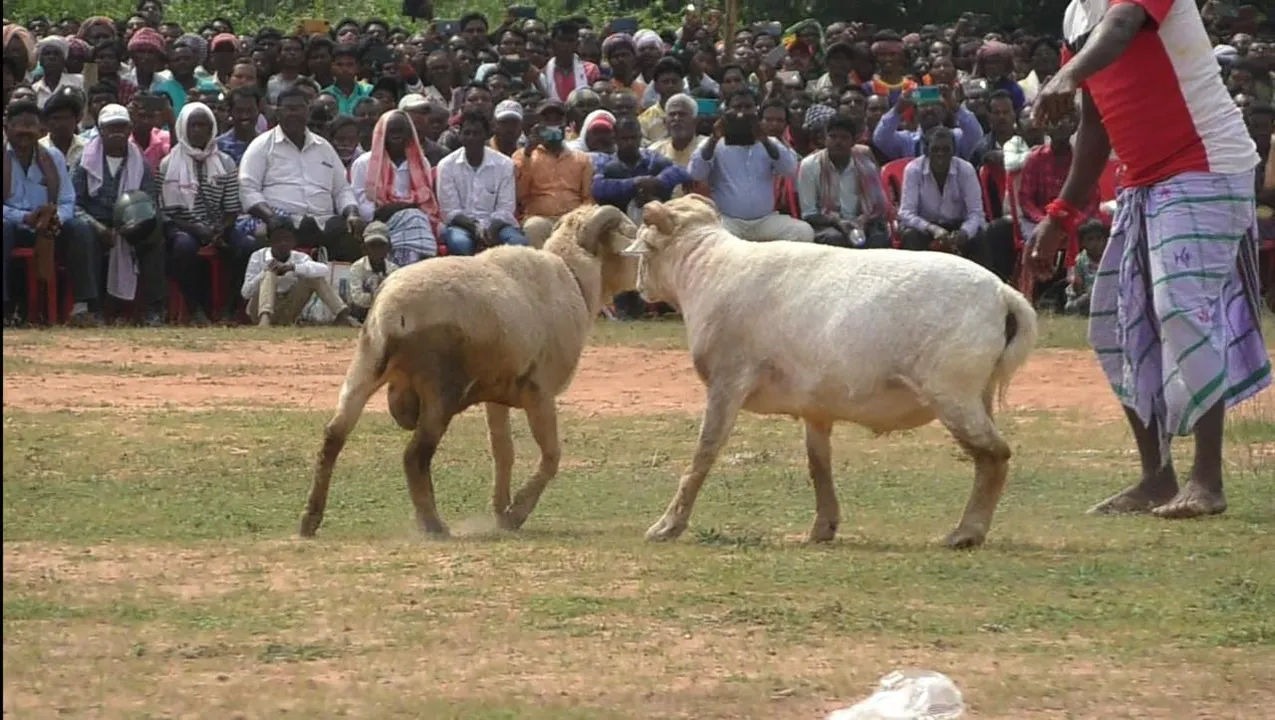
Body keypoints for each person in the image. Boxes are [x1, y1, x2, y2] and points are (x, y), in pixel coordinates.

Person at [1031, 0, 1269, 519]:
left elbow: (1120, 28)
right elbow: (1095, 123)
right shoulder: (1076, 16)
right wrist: (1061, 214)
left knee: (1181, 306)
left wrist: (1066, 73)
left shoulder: (1115, 15)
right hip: (1144, 181)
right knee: (1113, 323)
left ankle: (1207, 482)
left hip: (1206, 165)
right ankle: (1156, 479)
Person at [238, 87, 364, 261]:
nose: (294, 114)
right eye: (288, 109)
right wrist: (271, 217)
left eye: (299, 108)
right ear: (277, 112)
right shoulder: (261, 146)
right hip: (279, 221)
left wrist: (352, 213)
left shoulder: (324, 147)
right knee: (281, 233)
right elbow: (248, 189)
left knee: (353, 234)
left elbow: (342, 190)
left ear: (308, 111)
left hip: (324, 221)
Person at [71, 103, 166, 325]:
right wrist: (99, 228)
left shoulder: (139, 161)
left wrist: (134, 226)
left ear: (129, 129)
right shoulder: (83, 161)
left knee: (155, 241)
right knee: (83, 236)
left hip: (131, 222)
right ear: (100, 130)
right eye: (110, 128)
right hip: (96, 223)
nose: (116, 133)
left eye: (121, 127)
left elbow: (150, 200)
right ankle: (91, 307)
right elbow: (73, 204)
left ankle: (154, 310)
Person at [3, 99, 96, 326]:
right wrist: (23, 217)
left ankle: (83, 307)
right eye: (19, 125)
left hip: (47, 226)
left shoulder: (52, 157)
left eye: (31, 126)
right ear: (7, 128)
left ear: (41, 129)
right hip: (13, 224)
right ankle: (5, 308)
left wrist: (53, 218)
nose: (25, 132)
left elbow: (67, 200)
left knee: (79, 228)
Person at [158, 102, 250, 324]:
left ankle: (228, 309)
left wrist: (220, 231)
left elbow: (231, 209)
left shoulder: (225, 163)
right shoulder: (168, 164)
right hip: (183, 226)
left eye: (204, 126)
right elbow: (167, 212)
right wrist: (197, 229)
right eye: (194, 125)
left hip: (218, 226)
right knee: (183, 247)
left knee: (246, 246)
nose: (198, 131)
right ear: (183, 128)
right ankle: (195, 309)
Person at [689, 88, 813, 243]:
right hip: (729, 222)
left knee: (803, 232)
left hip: (764, 221)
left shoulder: (769, 142)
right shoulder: (714, 142)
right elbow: (696, 173)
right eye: (737, 108)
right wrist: (714, 138)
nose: (742, 113)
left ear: (756, 111)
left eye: (748, 107)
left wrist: (764, 140)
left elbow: (789, 169)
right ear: (726, 111)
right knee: (710, 239)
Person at [898, 126, 1013, 277]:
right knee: (910, 236)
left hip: (958, 225)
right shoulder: (913, 170)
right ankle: (913, 283)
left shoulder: (965, 170)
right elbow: (905, 213)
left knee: (979, 236)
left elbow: (976, 213)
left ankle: (984, 283)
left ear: (953, 151)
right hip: (926, 227)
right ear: (926, 151)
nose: (941, 154)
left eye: (946, 150)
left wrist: (965, 233)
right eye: (935, 149)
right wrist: (932, 229)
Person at [348, 109, 442, 265]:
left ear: (409, 134)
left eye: (401, 131)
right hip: (380, 220)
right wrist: (393, 210)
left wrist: (404, 208)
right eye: (392, 131)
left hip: (417, 218)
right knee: (413, 217)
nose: (397, 135)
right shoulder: (364, 163)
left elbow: (426, 201)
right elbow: (361, 202)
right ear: (383, 133)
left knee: (416, 218)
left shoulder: (421, 162)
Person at [436, 110, 527, 255]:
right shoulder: (446, 166)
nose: (471, 138)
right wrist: (476, 229)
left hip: (498, 225)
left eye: (477, 133)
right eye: (467, 133)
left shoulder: (504, 164)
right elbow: (450, 212)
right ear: (460, 135)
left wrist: (490, 229)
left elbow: (506, 208)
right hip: (461, 226)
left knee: (519, 244)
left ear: (486, 135)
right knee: (460, 244)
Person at [241, 217, 358, 327]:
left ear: (294, 241)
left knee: (313, 277)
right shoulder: (258, 256)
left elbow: (324, 270)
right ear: (269, 241)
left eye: (287, 239)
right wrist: (266, 272)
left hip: (288, 310)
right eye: (278, 239)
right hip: (258, 311)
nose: (283, 243)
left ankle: (343, 314)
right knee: (269, 273)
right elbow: (245, 293)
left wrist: (292, 267)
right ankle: (265, 318)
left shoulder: (300, 258)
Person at [798, 114, 892, 248]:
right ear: (825, 139)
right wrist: (838, 222)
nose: (838, 142)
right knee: (834, 239)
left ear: (854, 141)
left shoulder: (866, 165)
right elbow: (809, 214)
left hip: (862, 222)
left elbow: (878, 206)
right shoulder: (809, 165)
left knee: (878, 238)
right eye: (833, 137)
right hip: (827, 224)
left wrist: (862, 221)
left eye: (844, 137)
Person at [514, 99, 594, 247]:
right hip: (539, 218)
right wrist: (527, 154)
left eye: (557, 120)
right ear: (538, 124)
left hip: (572, 219)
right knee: (533, 227)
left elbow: (588, 198)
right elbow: (519, 195)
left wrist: (578, 218)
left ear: (565, 125)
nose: (553, 124)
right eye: (547, 120)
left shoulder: (581, 159)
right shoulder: (522, 156)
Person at [346, 220, 398, 322]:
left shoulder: (394, 270)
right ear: (364, 248)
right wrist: (380, 296)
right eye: (372, 245)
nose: (376, 250)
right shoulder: (357, 268)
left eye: (381, 245)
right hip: (363, 313)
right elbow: (357, 298)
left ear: (388, 248)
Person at [541, 20, 600, 102]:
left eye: (570, 41)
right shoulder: (544, 73)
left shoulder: (590, 70)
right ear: (552, 43)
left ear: (577, 44)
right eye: (561, 40)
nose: (566, 45)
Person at [1064, 219, 1108, 316]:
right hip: (1087, 295)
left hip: (1106, 295)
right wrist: (1076, 283)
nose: (1095, 243)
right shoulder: (1081, 259)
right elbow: (1078, 288)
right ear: (1082, 243)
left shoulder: (1109, 258)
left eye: (1099, 238)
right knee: (1072, 306)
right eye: (1090, 239)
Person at [39, 87, 86, 170]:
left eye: (66, 118)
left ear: (77, 119)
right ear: (46, 121)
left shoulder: (87, 147)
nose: (61, 124)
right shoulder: (38, 148)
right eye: (56, 118)